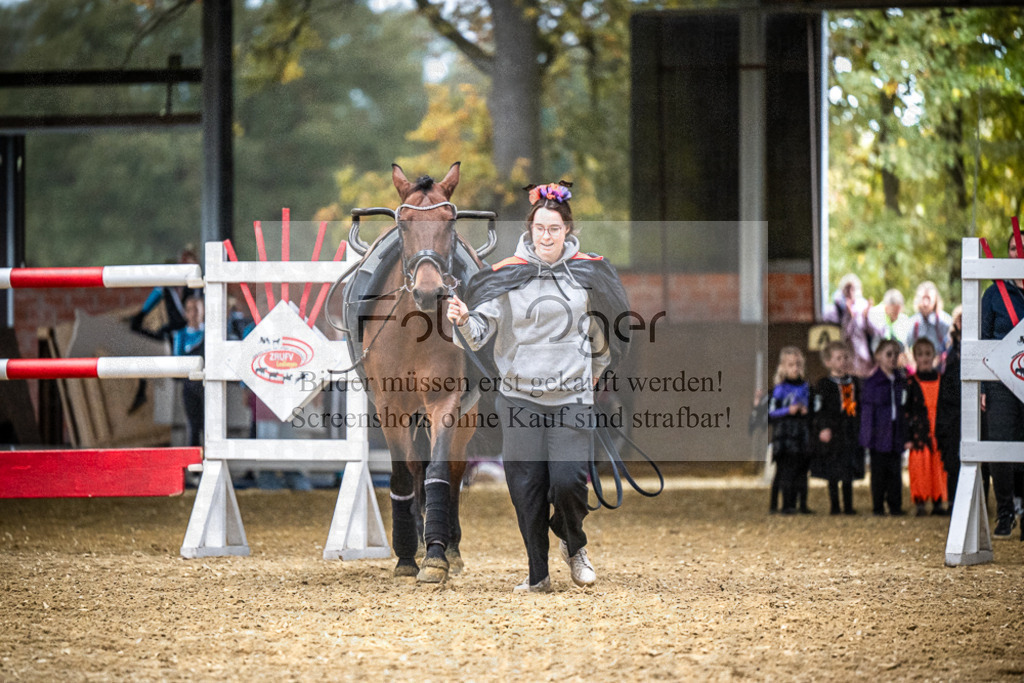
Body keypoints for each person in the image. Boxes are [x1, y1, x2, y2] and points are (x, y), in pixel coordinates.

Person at [446, 181, 630, 592]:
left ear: (568, 231)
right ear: (530, 230)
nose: (546, 236)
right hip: (519, 398)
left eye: (555, 229)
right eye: (540, 229)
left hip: (572, 399)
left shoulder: (587, 271)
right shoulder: (508, 275)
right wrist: (459, 318)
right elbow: (478, 333)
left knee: (567, 481)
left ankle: (573, 543)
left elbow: (603, 334)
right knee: (526, 488)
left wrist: (595, 371)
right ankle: (538, 576)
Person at [981, 234, 1024, 540]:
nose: (1018, 251)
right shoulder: (992, 293)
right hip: (999, 380)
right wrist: (983, 385)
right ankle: (1006, 510)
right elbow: (981, 339)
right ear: (1008, 253)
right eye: (1013, 246)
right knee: (998, 443)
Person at [811, 341, 864, 515]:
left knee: (848, 468)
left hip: (850, 430)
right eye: (838, 358)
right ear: (828, 362)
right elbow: (819, 409)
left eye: (845, 357)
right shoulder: (824, 384)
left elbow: (859, 406)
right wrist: (823, 427)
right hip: (833, 431)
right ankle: (835, 505)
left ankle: (848, 506)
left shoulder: (854, 381)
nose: (843, 361)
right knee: (833, 469)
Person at [860, 339, 907, 516]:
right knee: (878, 473)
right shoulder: (873, 383)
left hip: (895, 432)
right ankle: (878, 506)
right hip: (879, 434)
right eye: (889, 354)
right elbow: (867, 411)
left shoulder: (900, 381)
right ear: (878, 356)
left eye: (896, 354)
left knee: (895, 472)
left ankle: (895, 505)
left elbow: (904, 408)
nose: (893, 358)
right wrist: (867, 437)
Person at [903, 338, 948, 516]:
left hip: (938, 431)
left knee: (938, 468)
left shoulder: (941, 380)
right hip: (919, 434)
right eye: (920, 354)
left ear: (934, 356)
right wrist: (907, 436)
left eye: (928, 354)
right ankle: (920, 502)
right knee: (920, 468)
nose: (924, 358)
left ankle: (937, 501)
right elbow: (906, 411)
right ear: (915, 357)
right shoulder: (910, 383)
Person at [767, 347, 812, 515]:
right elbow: (771, 412)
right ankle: (784, 505)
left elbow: (812, 406)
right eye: (791, 364)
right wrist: (788, 411)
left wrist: (807, 411)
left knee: (802, 472)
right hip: (784, 437)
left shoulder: (806, 387)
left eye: (798, 364)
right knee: (785, 473)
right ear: (783, 367)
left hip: (801, 435)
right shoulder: (779, 389)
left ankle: (802, 504)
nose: (795, 368)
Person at [935, 306, 962, 506]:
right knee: (953, 462)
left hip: (971, 412)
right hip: (952, 414)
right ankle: (954, 502)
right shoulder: (949, 351)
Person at [823, 273, 874, 376]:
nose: (850, 293)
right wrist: (849, 316)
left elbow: (872, 331)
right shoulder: (836, 309)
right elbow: (844, 335)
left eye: (853, 289)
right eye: (847, 289)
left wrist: (866, 316)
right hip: (846, 358)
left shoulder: (862, 305)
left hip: (863, 359)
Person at [173, 295, 205, 448]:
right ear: (185, 313)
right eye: (189, 310)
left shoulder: (211, 334)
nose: (193, 313)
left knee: (210, 427)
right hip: (190, 387)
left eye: (197, 309)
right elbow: (176, 363)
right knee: (193, 425)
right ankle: (194, 465)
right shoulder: (180, 335)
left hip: (209, 387)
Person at [905, 281, 952, 370]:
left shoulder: (945, 322)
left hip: (941, 370)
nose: (925, 303)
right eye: (923, 298)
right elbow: (905, 346)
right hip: (918, 370)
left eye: (929, 298)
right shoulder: (912, 323)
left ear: (935, 300)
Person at [868, 289, 911, 354]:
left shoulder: (903, 319)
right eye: (894, 312)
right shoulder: (875, 314)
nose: (897, 315)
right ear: (886, 307)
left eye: (898, 312)